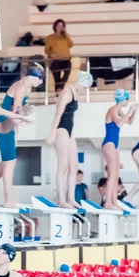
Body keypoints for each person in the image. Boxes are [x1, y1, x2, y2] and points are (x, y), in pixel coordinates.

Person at [0, 63, 44, 207]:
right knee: (10, 162)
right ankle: (8, 200)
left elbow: (17, 110)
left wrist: (25, 110)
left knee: (6, 162)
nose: (41, 82)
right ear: (33, 76)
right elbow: (14, 113)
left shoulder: (25, 87)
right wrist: (23, 119)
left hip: (8, 125)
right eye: (40, 79)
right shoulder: (21, 87)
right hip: (4, 124)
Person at [45, 71, 93, 209]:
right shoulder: (67, 92)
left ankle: (70, 198)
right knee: (63, 166)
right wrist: (52, 133)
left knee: (75, 166)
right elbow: (58, 112)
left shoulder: (75, 93)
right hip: (61, 129)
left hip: (69, 130)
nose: (85, 90)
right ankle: (61, 200)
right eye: (86, 87)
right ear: (82, 83)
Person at [101, 89, 138, 210]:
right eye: (128, 99)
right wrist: (130, 111)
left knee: (116, 175)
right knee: (112, 175)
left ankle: (114, 202)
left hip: (114, 144)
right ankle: (108, 203)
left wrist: (134, 112)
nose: (128, 102)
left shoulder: (119, 110)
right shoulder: (113, 110)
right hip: (109, 143)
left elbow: (130, 122)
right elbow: (119, 124)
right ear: (123, 99)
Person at [45, 19, 74, 93]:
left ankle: (60, 89)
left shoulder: (65, 36)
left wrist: (67, 35)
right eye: (58, 25)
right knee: (57, 79)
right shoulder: (50, 37)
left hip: (66, 59)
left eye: (62, 26)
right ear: (55, 26)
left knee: (67, 72)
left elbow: (71, 45)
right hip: (56, 60)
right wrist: (51, 54)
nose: (60, 27)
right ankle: (58, 95)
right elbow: (46, 50)